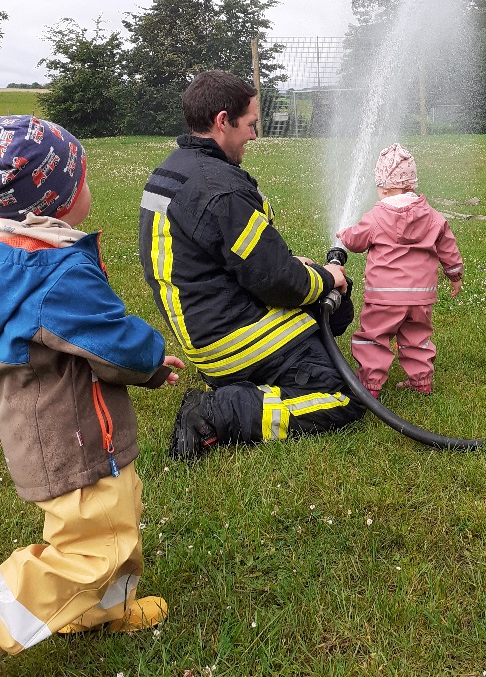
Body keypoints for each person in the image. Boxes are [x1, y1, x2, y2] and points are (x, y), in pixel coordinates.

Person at [0, 115, 183, 655]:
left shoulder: (19, 255)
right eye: (80, 178)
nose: (88, 186)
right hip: (72, 436)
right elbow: (111, 341)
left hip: (67, 429)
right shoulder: (53, 274)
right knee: (91, 547)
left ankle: (105, 609)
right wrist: (151, 362)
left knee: (118, 520)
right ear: (52, 198)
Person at [138, 70, 364, 460]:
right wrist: (328, 276)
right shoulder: (220, 188)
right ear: (222, 121)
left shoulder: (176, 169)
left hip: (206, 328)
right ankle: (218, 413)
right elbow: (279, 282)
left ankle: (246, 385)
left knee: (330, 308)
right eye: (250, 124)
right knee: (344, 395)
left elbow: (229, 256)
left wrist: (296, 269)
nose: (255, 135)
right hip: (233, 340)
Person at [335, 142, 463, 398]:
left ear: (382, 187)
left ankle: (370, 386)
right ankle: (421, 382)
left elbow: (356, 240)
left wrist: (343, 235)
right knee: (417, 337)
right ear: (412, 184)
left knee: (374, 338)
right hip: (420, 298)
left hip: (384, 297)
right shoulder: (432, 216)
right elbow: (448, 247)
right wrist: (455, 274)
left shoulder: (376, 216)